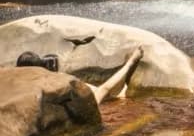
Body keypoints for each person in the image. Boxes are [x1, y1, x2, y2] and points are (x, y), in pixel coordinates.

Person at [15, 46, 143, 103]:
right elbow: (104, 90)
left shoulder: (20, 84)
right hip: (92, 99)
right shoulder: (51, 84)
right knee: (105, 92)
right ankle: (130, 63)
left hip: (84, 94)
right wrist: (131, 61)